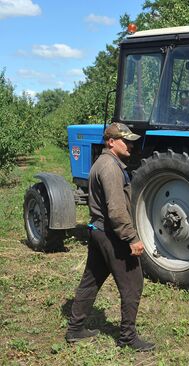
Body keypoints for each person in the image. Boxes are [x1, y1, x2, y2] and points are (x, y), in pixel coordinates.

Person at [65, 122, 155, 352]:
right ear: (111, 142)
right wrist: (131, 238)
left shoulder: (103, 163)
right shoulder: (110, 168)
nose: (131, 146)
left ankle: (75, 329)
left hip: (97, 231)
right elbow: (115, 210)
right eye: (125, 141)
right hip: (110, 234)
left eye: (131, 141)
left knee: (91, 281)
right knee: (133, 284)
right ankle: (127, 337)